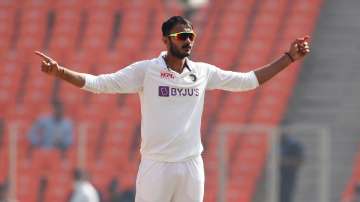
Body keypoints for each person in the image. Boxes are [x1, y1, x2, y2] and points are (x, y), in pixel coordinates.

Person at [34, 16, 310, 202]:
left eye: (190, 35)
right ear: (166, 41)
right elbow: (99, 84)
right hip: (156, 164)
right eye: (180, 36)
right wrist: (60, 73)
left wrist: (288, 58)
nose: (187, 40)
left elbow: (249, 81)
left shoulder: (202, 72)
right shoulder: (146, 71)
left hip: (191, 164)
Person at [279, 133, 304, 202]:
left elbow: (299, 161)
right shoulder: (275, 144)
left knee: (286, 195)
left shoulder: (294, 145)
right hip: (277, 176)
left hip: (288, 176)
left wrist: (284, 161)